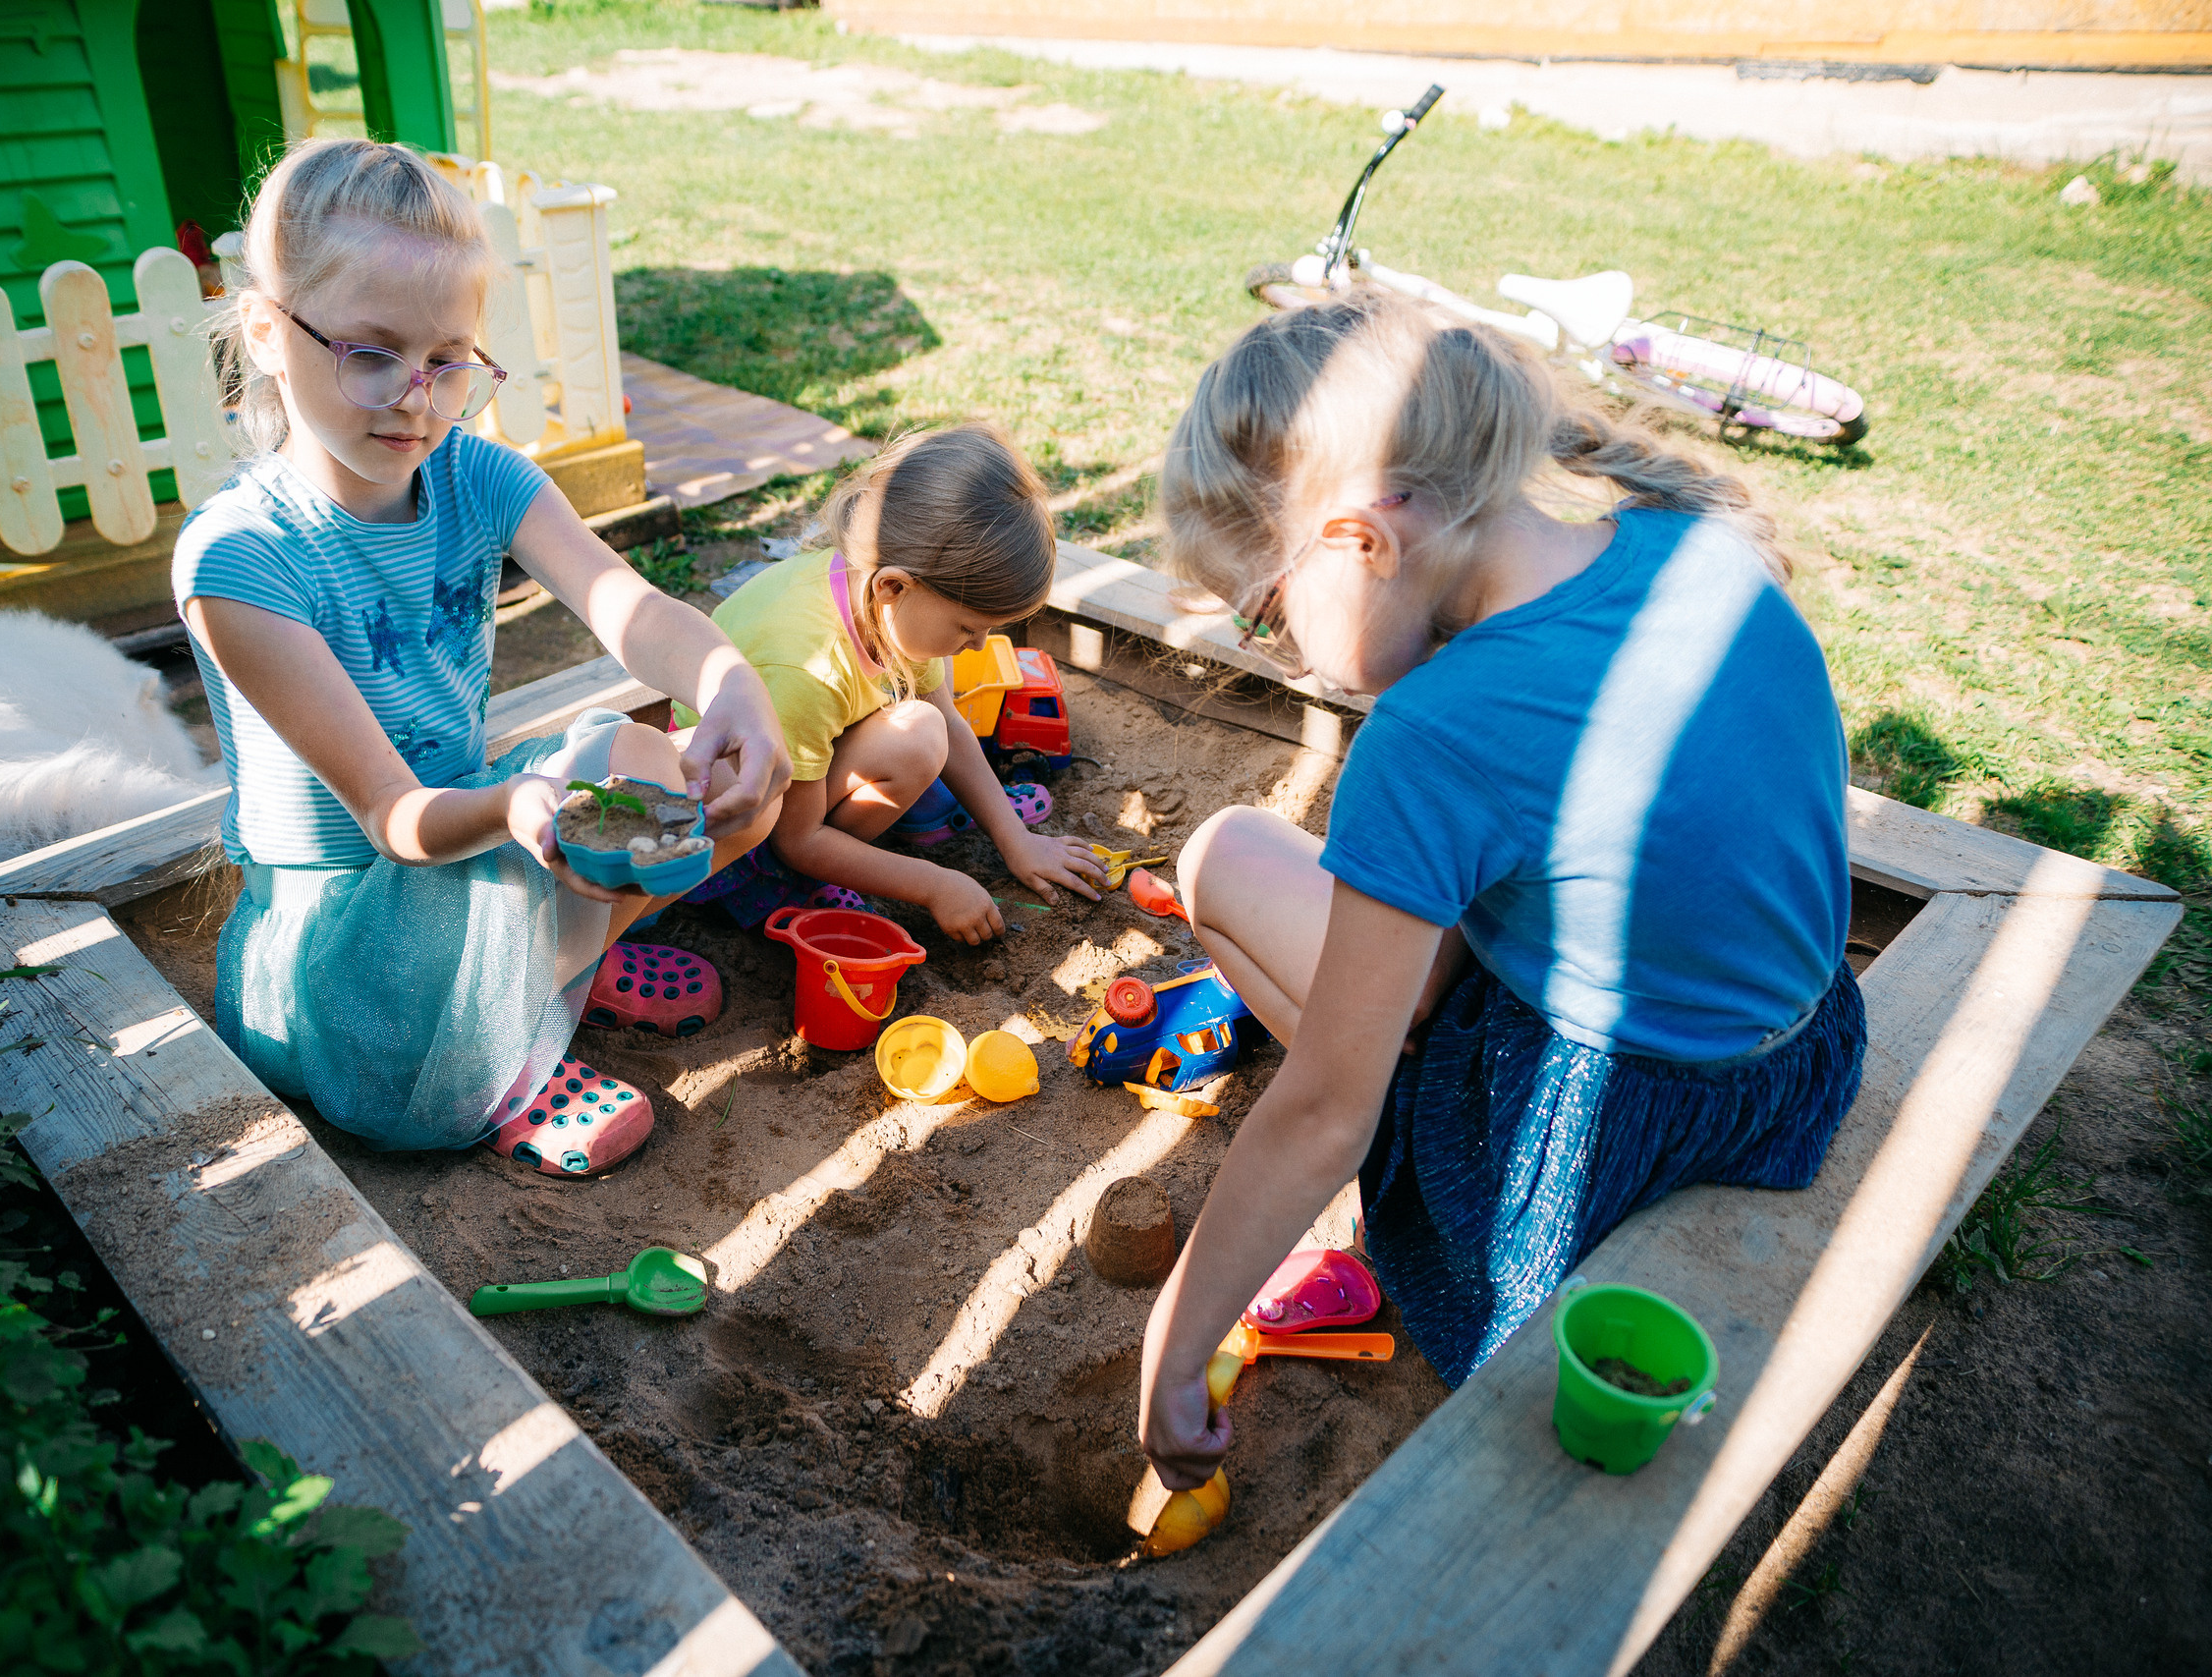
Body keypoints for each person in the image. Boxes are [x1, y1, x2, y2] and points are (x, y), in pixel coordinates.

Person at [1136, 294, 1865, 1488]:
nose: (1277, 653)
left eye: (1265, 615)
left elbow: (1323, 1114)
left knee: (1224, 854)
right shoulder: (1699, 545)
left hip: (1591, 1139)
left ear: (1359, 540)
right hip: (1787, 1067)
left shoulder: (1432, 734)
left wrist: (1173, 1353)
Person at [173, 138, 787, 1177]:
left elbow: (630, 608)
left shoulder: (473, 474)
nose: (416, 399)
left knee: (718, 782)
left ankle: (542, 983)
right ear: (270, 335)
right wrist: (519, 804)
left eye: (448, 359)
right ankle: (497, 1058)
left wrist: (735, 687)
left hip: (461, 873)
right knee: (622, 772)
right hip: (348, 973)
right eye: (371, 353)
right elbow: (392, 818)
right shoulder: (242, 560)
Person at [684, 425, 1107, 941]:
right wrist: (934, 885)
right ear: (893, 586)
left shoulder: (885, 600)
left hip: (807, 758)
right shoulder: (805, 670)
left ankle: (907, 815)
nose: (978, 646)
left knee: (927, 731)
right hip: (736, 824)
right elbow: (798, 837)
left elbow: (948, 724)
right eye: (968, 628)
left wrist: (1015, 840)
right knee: (913, 743)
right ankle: (789, 887)